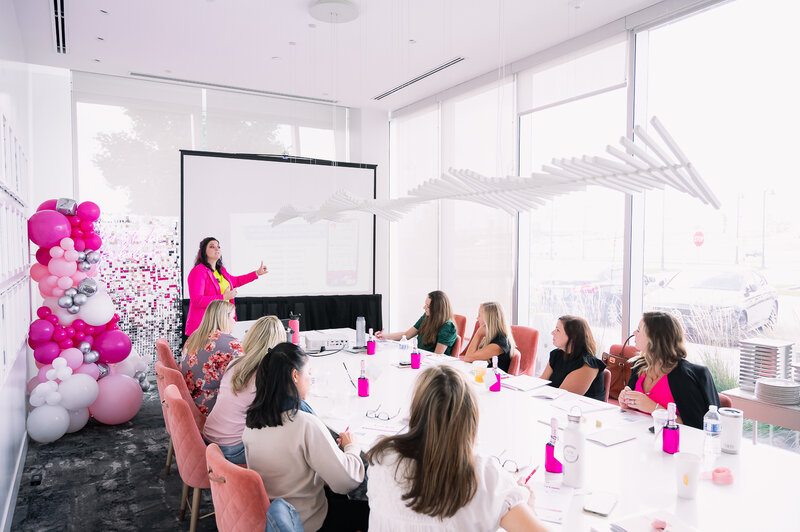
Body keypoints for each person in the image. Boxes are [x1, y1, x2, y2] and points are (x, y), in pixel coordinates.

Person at [366, 365, 546, 531]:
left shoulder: (382, 458)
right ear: (471, 419)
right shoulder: (485, 478)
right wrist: (529, 508)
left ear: (416, 411)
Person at [243, 343, 368, 532]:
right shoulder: (305, 423)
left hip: (274, 517)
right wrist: (351, 447)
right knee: (368, 509)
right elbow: (347, 482)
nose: (311, 380)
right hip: (308, 521)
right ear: (295, 376)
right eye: (308, 373)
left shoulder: (252, 422)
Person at [202, 315, 286, 464]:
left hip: (209, 440)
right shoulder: (265, 374)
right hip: (232, 450)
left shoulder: (235, 363)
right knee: (295, 422)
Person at [619, 311, 720, 429]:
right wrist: (626, 401)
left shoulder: (684, 377)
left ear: (654, 339)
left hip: (672, 443)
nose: (634, 333)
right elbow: (635, 409)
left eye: (639, 330)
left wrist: (653, 407)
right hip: (639, 435)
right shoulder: (639, 366)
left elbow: (695, 426)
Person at [185, 236, 269, 336]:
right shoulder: (198, 271)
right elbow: (197, 300)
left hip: (222, 323)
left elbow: (236, 281)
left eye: (218, 246)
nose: (217, 249)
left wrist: (256, 273)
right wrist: (223, 297)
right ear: (203, 251)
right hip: (204, 327)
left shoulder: (221, 270)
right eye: (212, 247)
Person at [180, 300, 241, 415]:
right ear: (224, 318)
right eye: (233, 317)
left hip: (189, 404)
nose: (234, 321)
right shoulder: (230, 344)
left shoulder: (193, 336)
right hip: (210, 411)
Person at [539, 315, 607, 401]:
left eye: (558, 330)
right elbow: (540, 383)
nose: (552, 333)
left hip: (580, 411)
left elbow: (563, 399)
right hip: (558, 408)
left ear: (573, 337)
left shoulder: (588, 365)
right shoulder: (556, 355)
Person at [376, 290, 457, 355]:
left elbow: (437, 356)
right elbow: (407, 335)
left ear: (437, 309)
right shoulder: (427, 317)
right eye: (425, 304)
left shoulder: (448, 327)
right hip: (420, 359)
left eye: (428, 306)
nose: (424, 307)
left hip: (432, 367)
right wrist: (385, 336)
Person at [463, 301, 517, 373]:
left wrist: (478, 335)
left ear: (488, 319)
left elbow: (468, 358)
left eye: (479, 315)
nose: (477, 318)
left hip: (494, 382)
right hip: (485, 377)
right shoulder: (490, 337)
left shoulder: (500, 343)